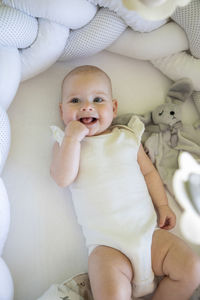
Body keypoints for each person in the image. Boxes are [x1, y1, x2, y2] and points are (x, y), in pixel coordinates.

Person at [50, 65, 200, 300]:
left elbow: (150, 173)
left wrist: (162, 206)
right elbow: (62, 178)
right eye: (75, 100)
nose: (86, 106)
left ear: (114, 107)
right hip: (107, 246)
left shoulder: (127, 136)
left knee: (191, 268)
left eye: (97, 99)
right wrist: (71, 138)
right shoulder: (66, 143)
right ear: (62, 111)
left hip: (149, 233)